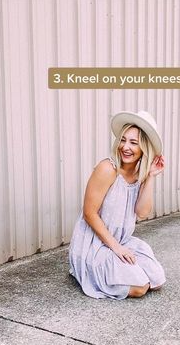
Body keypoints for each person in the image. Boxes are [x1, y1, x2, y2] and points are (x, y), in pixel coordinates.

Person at [69, 110, 166, 300]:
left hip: (121, 240)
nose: (125, 147)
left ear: (144, 148)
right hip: (94, 243)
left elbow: (142, 212)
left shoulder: (140, 175)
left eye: (134, 142)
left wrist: (151, 176)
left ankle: (115, 268)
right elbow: (89, 213)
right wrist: (116, 248)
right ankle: (86, 270)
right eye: (123, 140)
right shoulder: (107, 169)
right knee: (140, 287)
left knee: (156, 279)